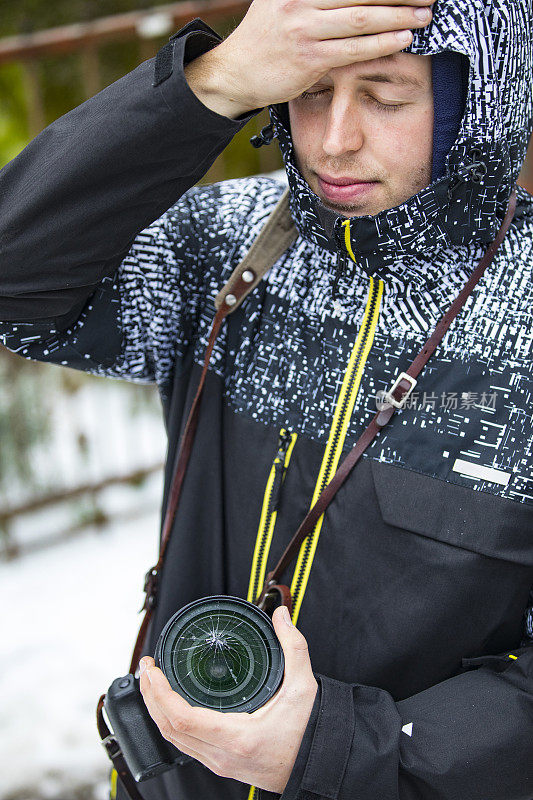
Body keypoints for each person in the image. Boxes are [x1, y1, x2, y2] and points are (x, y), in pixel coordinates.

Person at [0, 0, 532, 798]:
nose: (333, 139)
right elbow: (15, 281)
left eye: (385, 97)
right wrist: (212, 83)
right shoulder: (223, 241)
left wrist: (330, 751)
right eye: (309, 90)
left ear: (481, 103)